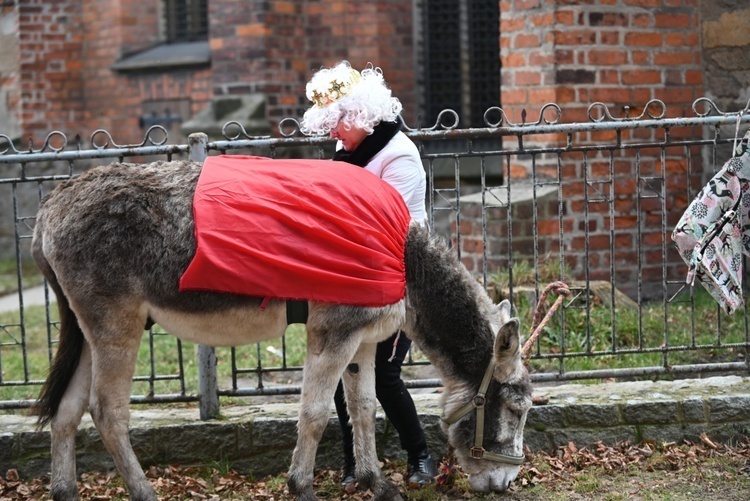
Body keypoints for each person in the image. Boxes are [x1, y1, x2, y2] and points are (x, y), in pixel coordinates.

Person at [300, 61, 437, 487]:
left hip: (399, 277)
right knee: (345, 372)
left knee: (386, 372)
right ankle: (352, 464)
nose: (331, 132)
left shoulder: (398, 155)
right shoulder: (351, 151)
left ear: (360, 114)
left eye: (336, 121)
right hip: (357, 275)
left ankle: (421, 457)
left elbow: (385, 224)